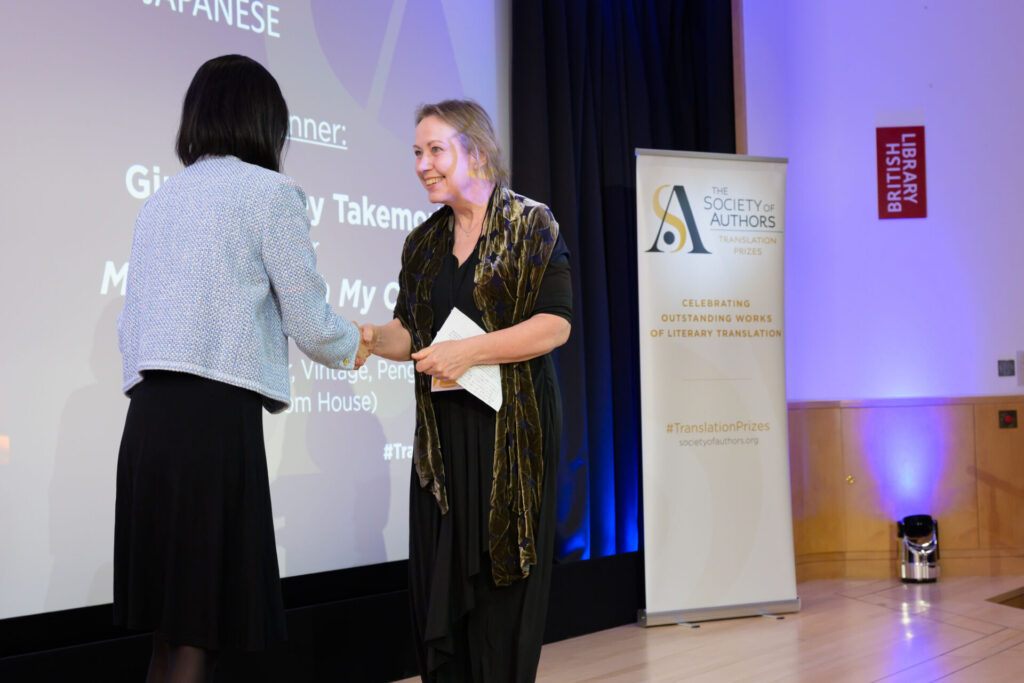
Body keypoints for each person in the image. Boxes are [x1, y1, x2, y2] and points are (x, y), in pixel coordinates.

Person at [114, 54, 367, 682]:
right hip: (212, 425)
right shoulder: (271, 194)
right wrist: (360, 344)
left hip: (147, 422)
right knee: (201, 624)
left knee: (170, 630)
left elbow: (129, 325)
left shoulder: (159, 202)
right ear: (264, 121)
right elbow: (310, 321)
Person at [361, 100, 572, 681]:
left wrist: (470, 350)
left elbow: (555, 324)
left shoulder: (532, 224)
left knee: (504, 600)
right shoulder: (421, 244)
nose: (423, 164)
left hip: (512, 437)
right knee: (442, 597)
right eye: (417, 153)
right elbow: (412, 332)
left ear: (476, 152)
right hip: (444, 444)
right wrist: (375, 337)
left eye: (435, 150)